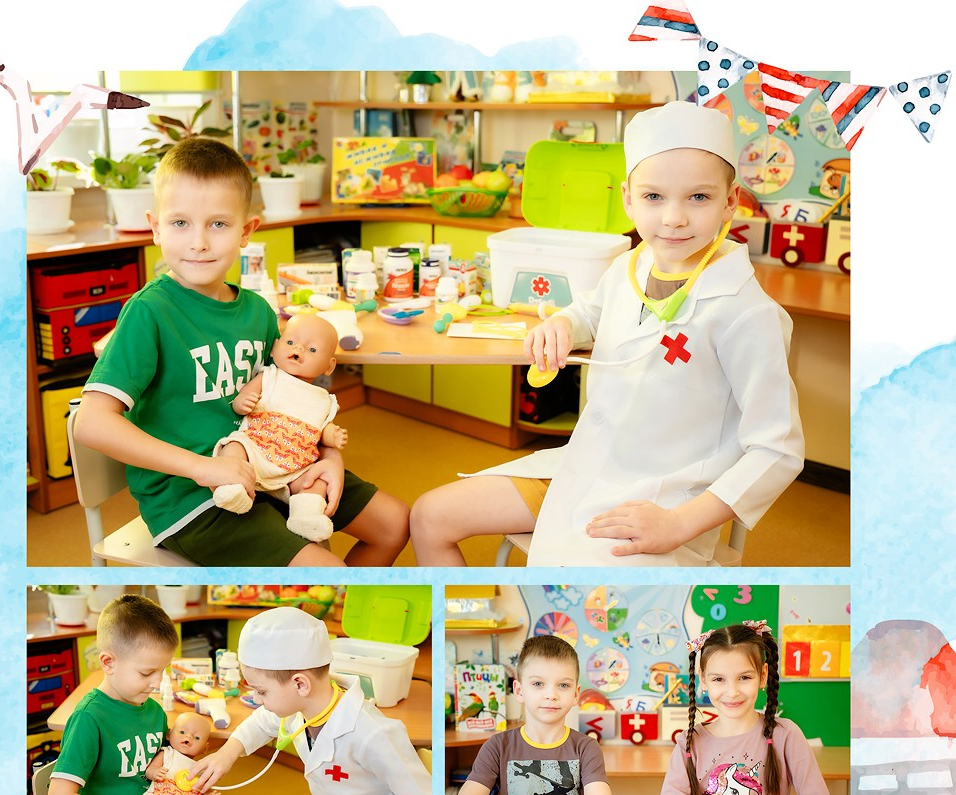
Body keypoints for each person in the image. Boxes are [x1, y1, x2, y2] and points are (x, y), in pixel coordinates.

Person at [411, 101, 802, 566]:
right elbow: (589, 312)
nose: (674, 218)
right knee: (428, 516)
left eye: (698, 197)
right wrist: (561, 323)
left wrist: (679, 523)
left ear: (730, 201)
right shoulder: (630, 266)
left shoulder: (746, 312)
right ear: (627, 199)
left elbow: (777, 450)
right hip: (582, 468)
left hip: (664, 501)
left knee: (576, 594)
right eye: (654, 197)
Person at [73, 137, 408, 566]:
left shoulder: (259, 312)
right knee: (327, 569)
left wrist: (330, 456)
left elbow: (287, 398)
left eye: (218, 224)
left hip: (276, 467)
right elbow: (92, 424)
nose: (198, 242)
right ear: (154, 227)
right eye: (179, 224)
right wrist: (206, 469)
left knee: (395, 522)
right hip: (192, 499)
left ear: (246, 231)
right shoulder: (149, 313)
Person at [195, 605, 432, 795]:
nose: (257, 701)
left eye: (262, 692)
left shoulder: (373, 733)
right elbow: (264, 721)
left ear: (300, 684)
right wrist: (227, 753)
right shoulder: (304, 706)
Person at [48, 596, 256, 795]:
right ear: (108, 663)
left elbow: (174, 766)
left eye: (162, 671)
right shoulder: (89, 718)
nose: (157, 683)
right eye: (147, 672)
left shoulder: (154, 712)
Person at [657, 621, 834, 795]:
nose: (732, 692)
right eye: (718, 679)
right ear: (703, 679)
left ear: (763, 675)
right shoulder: (689, 742)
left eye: (744, 677)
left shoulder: (786, 734)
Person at [452, 634, 613, 795]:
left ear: (575, 694)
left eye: (563, 685)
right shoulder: (498, 746)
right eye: (538, 684)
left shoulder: (586, 747)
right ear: (519, 690)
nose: (551, 695)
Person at [213, 312, 352, 544]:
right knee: (235, 445)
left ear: (329, 366)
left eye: (312, 350)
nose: (298, 349)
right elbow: (242, 400)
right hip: (255, 452)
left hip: (295, 468)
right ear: (274, 348)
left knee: (317, 481)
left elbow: (321, 430)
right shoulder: (269, 377)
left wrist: (333, 435)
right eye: (290, 342)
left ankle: (305, 515)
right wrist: (242, 402)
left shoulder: (324, 399)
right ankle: (233, 488)